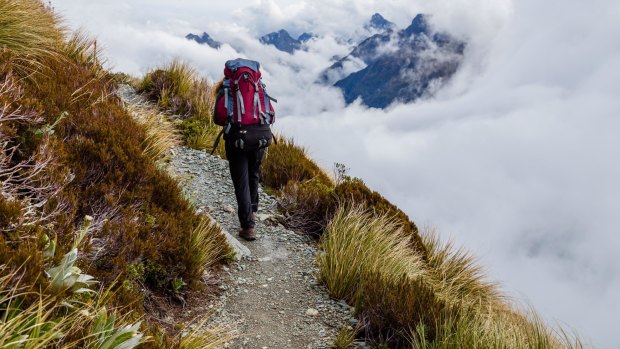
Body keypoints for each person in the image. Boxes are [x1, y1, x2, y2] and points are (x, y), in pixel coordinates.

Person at [212, 58, 276, 241]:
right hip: (260, 138)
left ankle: (248, 226)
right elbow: (270, 115)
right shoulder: (259, 87)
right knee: (254, 173)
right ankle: (252, 210)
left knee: (241, 181)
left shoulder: (227, 89)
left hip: (237, 139)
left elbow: (219, 117)